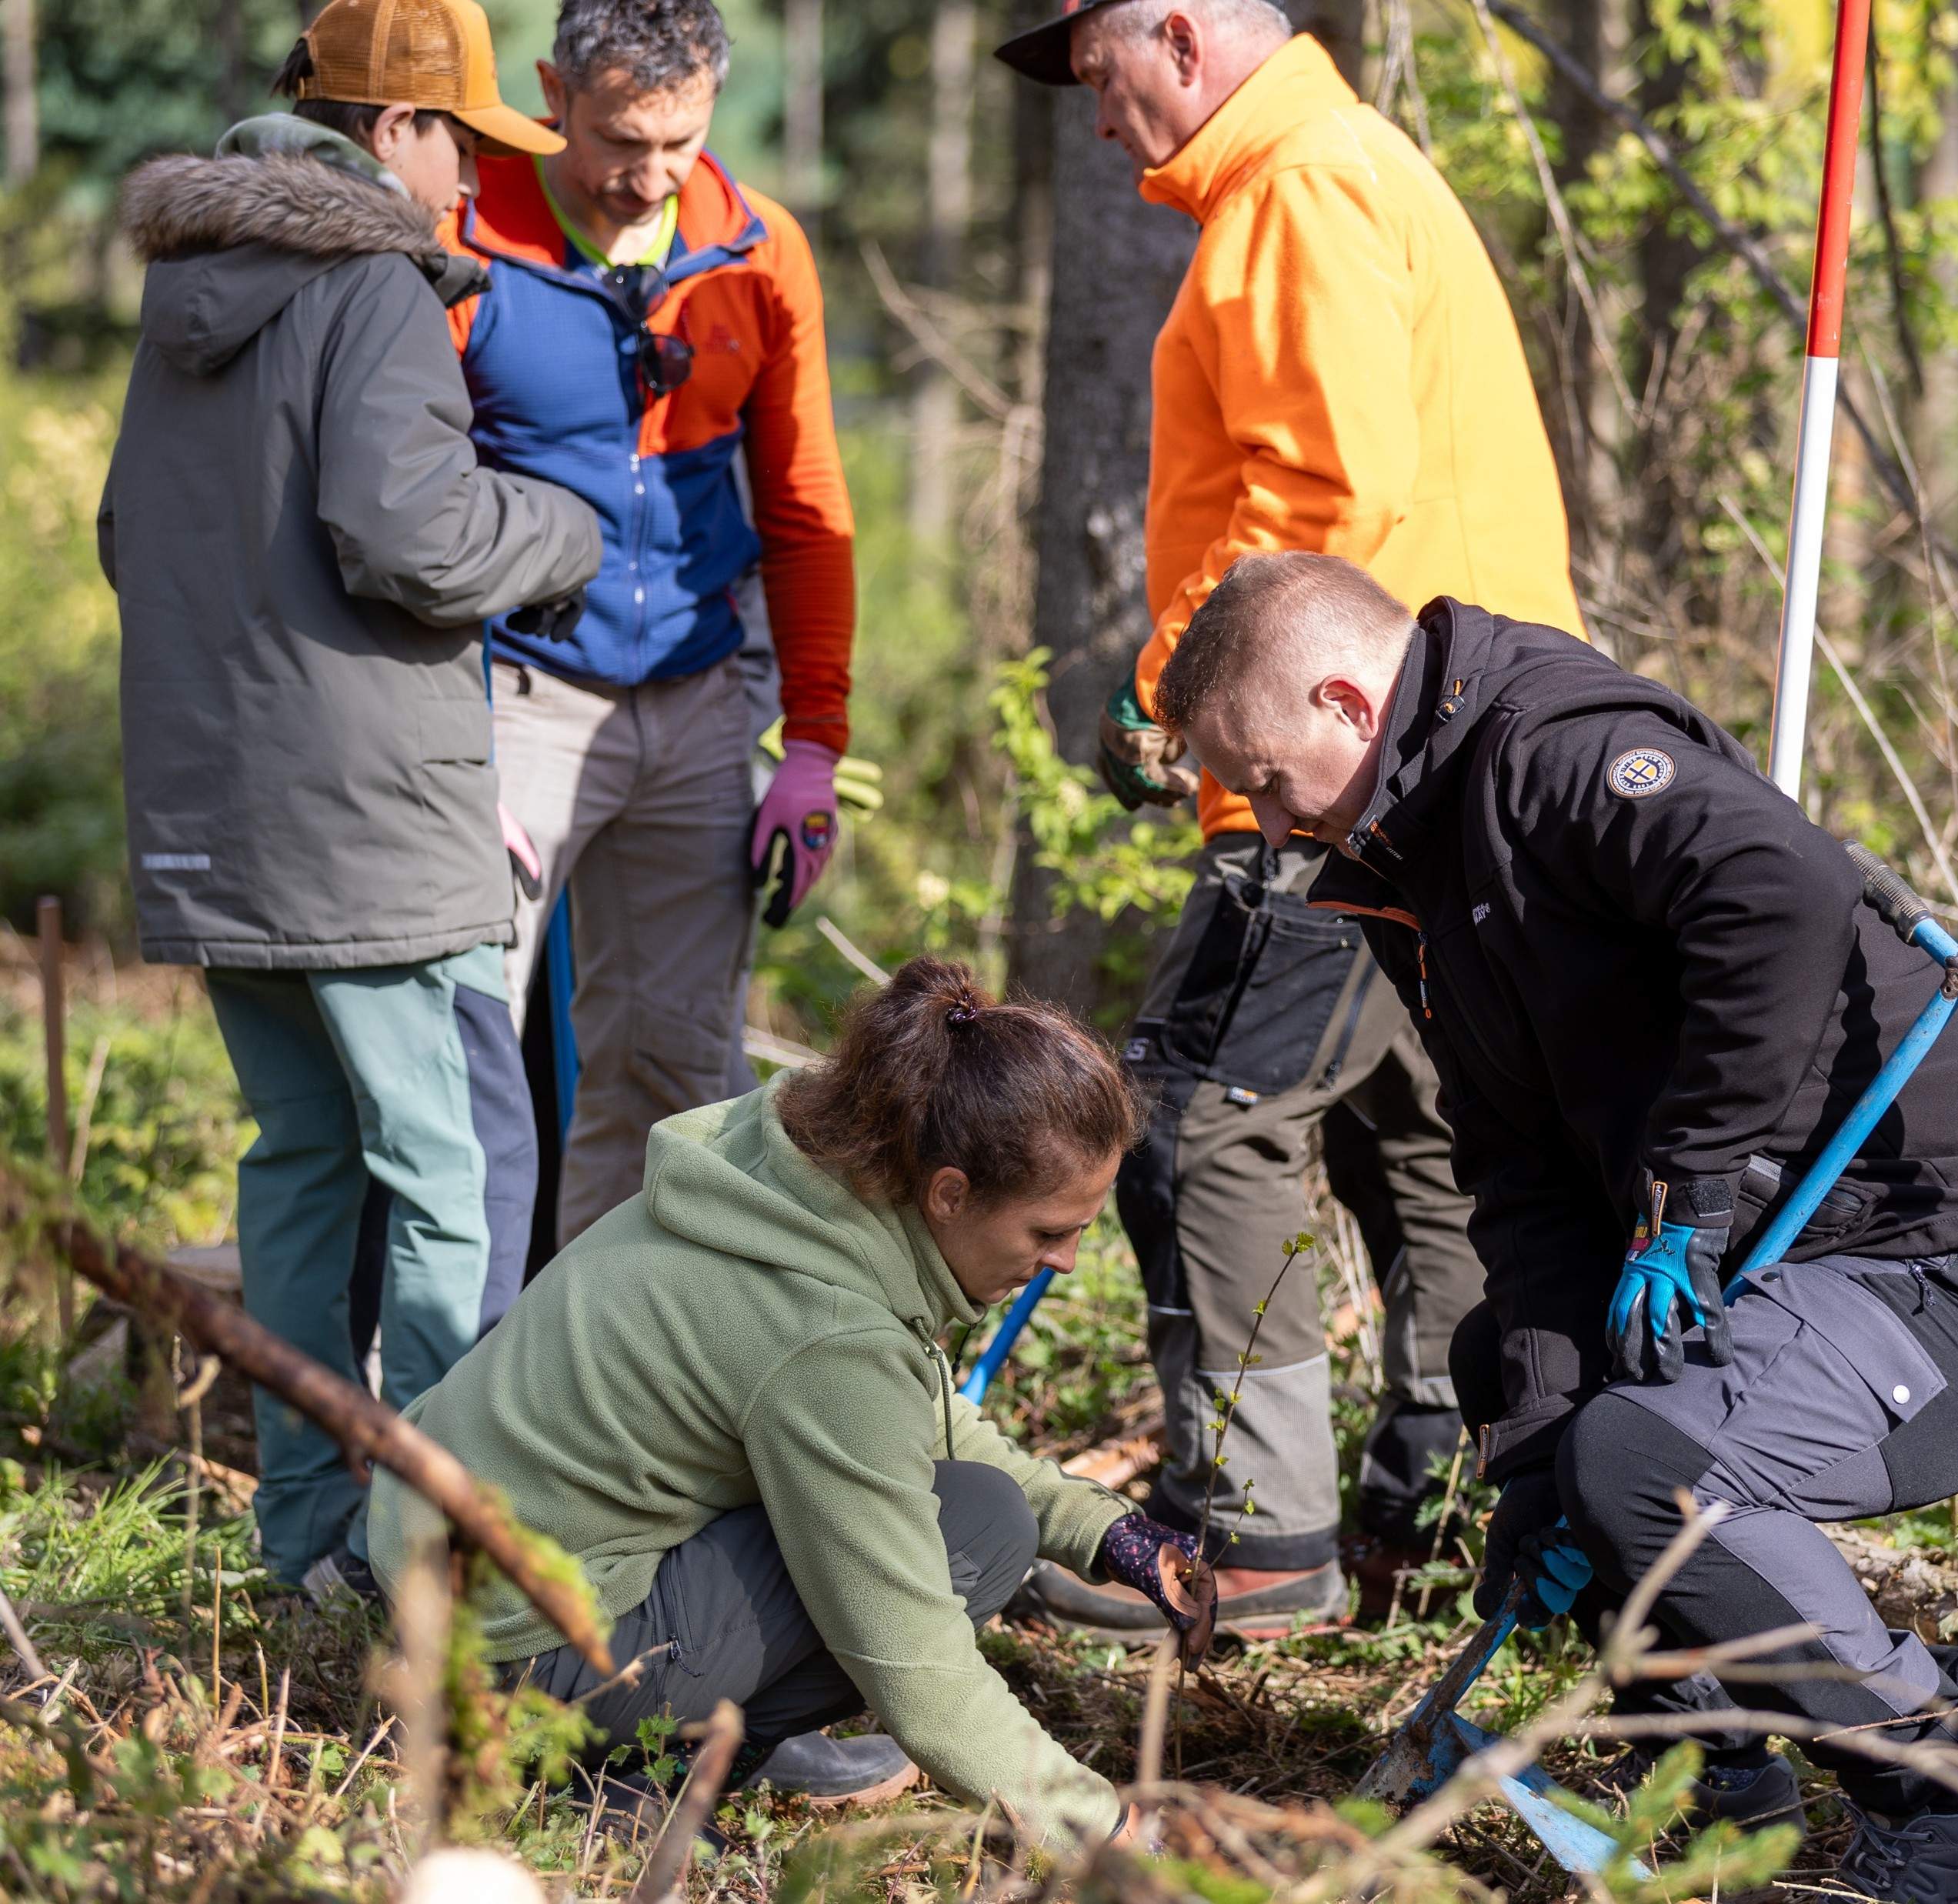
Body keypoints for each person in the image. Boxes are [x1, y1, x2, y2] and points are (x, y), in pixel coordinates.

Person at [1156, 552, 1958, 1901]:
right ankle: (1711, 1764)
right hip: (1830, 1263)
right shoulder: (1414, 857)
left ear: (1345, 701)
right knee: (1520, 1376)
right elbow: (1517, 1164)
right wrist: (1530, 1457)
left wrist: (1684, 1199)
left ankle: (1953, 1806)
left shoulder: (1554, 752)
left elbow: (1784, 894)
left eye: (1268, 779)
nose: (1270, 828)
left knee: (1645, 1457)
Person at [993, 0, 1589, 1636]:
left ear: (1174, 36)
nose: (1098, 120)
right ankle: (1436, 1517)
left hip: (1337, 757)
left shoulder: (1298, 188)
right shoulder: (1327, 172)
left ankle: (1250, 1536)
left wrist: (1165, 689)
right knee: (1414, 1134)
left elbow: (1329, 491)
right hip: (1432, 749)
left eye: (1100, 77)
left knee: (1194, 1118)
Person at [98, 0, 601, 1598]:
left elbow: (130, 533)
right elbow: (419, 541)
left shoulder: (190, 297)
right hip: (372, 836)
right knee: (446, 1181)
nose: (470, 184)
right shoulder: (374, 282)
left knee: (301, 1170)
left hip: (217, 820)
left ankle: (306, 1533)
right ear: (394, 132)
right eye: (462, 143)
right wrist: (564, 531)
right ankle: (441, 1550)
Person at [365, 959, 1213, 1829]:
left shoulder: (801, 1171)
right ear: (950, 1193)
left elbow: (901, 1415)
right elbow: (915, 1662)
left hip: (440, 1568)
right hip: (519, 1664)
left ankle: (702, 1729)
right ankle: (645, 1772)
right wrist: (1107, 1833)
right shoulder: (827, 1335)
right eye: (1049, 1231)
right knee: (981, 1531)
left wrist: (1103, 1528)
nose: (1065, 1260)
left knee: (986, 1507)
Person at [443, 0, 858, 1246]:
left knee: (676, 1085)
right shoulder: (467, 239)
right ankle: (416, 1416)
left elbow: (804, 504)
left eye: (681, 141)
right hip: (513, 694)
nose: (651, 174)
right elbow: (404, 505)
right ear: (551, 92)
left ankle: (615, 1404)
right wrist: (447, 741)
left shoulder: (757, 251)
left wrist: (812, 747)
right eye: (624, 139)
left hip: (695, 695)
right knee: (452, 1068)